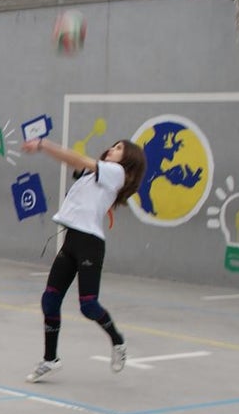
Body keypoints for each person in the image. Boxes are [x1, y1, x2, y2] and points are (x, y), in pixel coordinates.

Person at [20, 136, 147, 383]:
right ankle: (50, 360)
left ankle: (117, 340)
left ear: (128, 159)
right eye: (113, 145)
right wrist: (45, 150)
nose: (112, 149)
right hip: (71, 242)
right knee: (50, 300)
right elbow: (71, 161)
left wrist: (44, 144)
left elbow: (77, 158)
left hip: (90, 245)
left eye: (119, 148)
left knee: (88, 305)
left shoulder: (116, 173)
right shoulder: (93, 176)